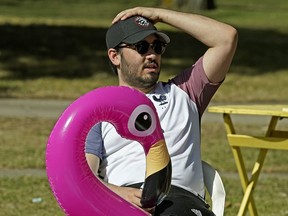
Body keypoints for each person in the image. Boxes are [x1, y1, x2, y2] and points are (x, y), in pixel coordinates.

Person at [85, 7, 238, 216]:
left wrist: (160, 15)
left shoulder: (187, 92)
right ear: (114, 56)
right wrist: (119, 193)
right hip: (124, 203)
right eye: (141, 47)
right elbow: (84, 177)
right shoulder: (98, 111)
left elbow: (226, 38)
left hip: (179, 202)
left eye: (157, 47)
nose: (151, 55)